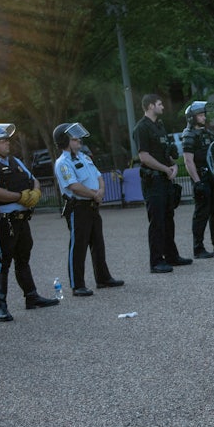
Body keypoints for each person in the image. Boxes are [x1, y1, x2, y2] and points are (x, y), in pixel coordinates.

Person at [0, 124, 59, 321]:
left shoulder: (15, 161)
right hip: (3, 222)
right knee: (1, 262)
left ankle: (31, 296)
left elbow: (33, 180)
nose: (7, 144)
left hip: (21, 220)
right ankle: (0, 306)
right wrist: (20, 197)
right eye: (2, 141)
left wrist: (36, 192)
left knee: (23, 259)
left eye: (6, 140)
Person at [53, 122, 124, 297]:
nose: (78, 141)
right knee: (78, 247)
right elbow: (74, 186)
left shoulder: (84, 157)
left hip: (92, 206)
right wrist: (95, 195)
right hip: (78, 208)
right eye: (74, 138)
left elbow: (99, 176)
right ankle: (77, 285)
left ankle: (103, 278)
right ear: (65, 141)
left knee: (98, 244)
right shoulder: (63, 163)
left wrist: (100, 191)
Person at [134, 94, 191, 273]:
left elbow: (165, 151)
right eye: (160, 104)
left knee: (168, 219)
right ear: (150, 106)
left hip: (165, 180)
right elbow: (144, 157)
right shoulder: (141, 128)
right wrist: (165, 169)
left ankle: (171, 256)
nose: (163, 107)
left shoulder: (159, 126)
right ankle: (156, 261)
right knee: (157, 222)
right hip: (153, 181)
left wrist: (172, 166)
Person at [182, 101, 214, 259]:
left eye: (204, 114)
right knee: (201, 213)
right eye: (200, 115)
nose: (203, 117)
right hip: (201, 177)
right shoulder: (189, 134)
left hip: (212, 176)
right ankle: (198, 248)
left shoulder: (208, 132)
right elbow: (188, 160)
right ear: (192, 117)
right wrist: (197, 182)